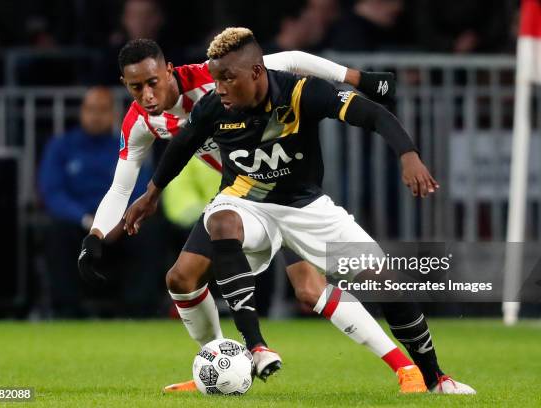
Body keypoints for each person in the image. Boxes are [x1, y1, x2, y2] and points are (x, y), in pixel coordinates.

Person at [121, 30, 475, 394]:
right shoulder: (215, 105)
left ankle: (435, 378)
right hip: (246, 202)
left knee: (384, 282)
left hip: (304, 206)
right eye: (216, 79)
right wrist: (150, 194)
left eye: (228, 78)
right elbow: (181, 146)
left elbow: (373, 114)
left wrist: (408, 154)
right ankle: (254, 346)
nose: (220, 88)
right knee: (220, 223)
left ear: (257, 73)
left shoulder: (303, 92)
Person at [38, 87, 162, 317]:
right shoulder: (61, 146)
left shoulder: (129, 145)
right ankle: (67, 311)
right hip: (80, 223)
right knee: (56, 231)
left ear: (114, 114)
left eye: (103, 110)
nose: (96, 115)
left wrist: (121, 221)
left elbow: (141, 190)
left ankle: (139, 311)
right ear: (82, 112)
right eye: (90, 109)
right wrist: (90, 222)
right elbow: (52, 193)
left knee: (151, 230)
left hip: (122, 226)